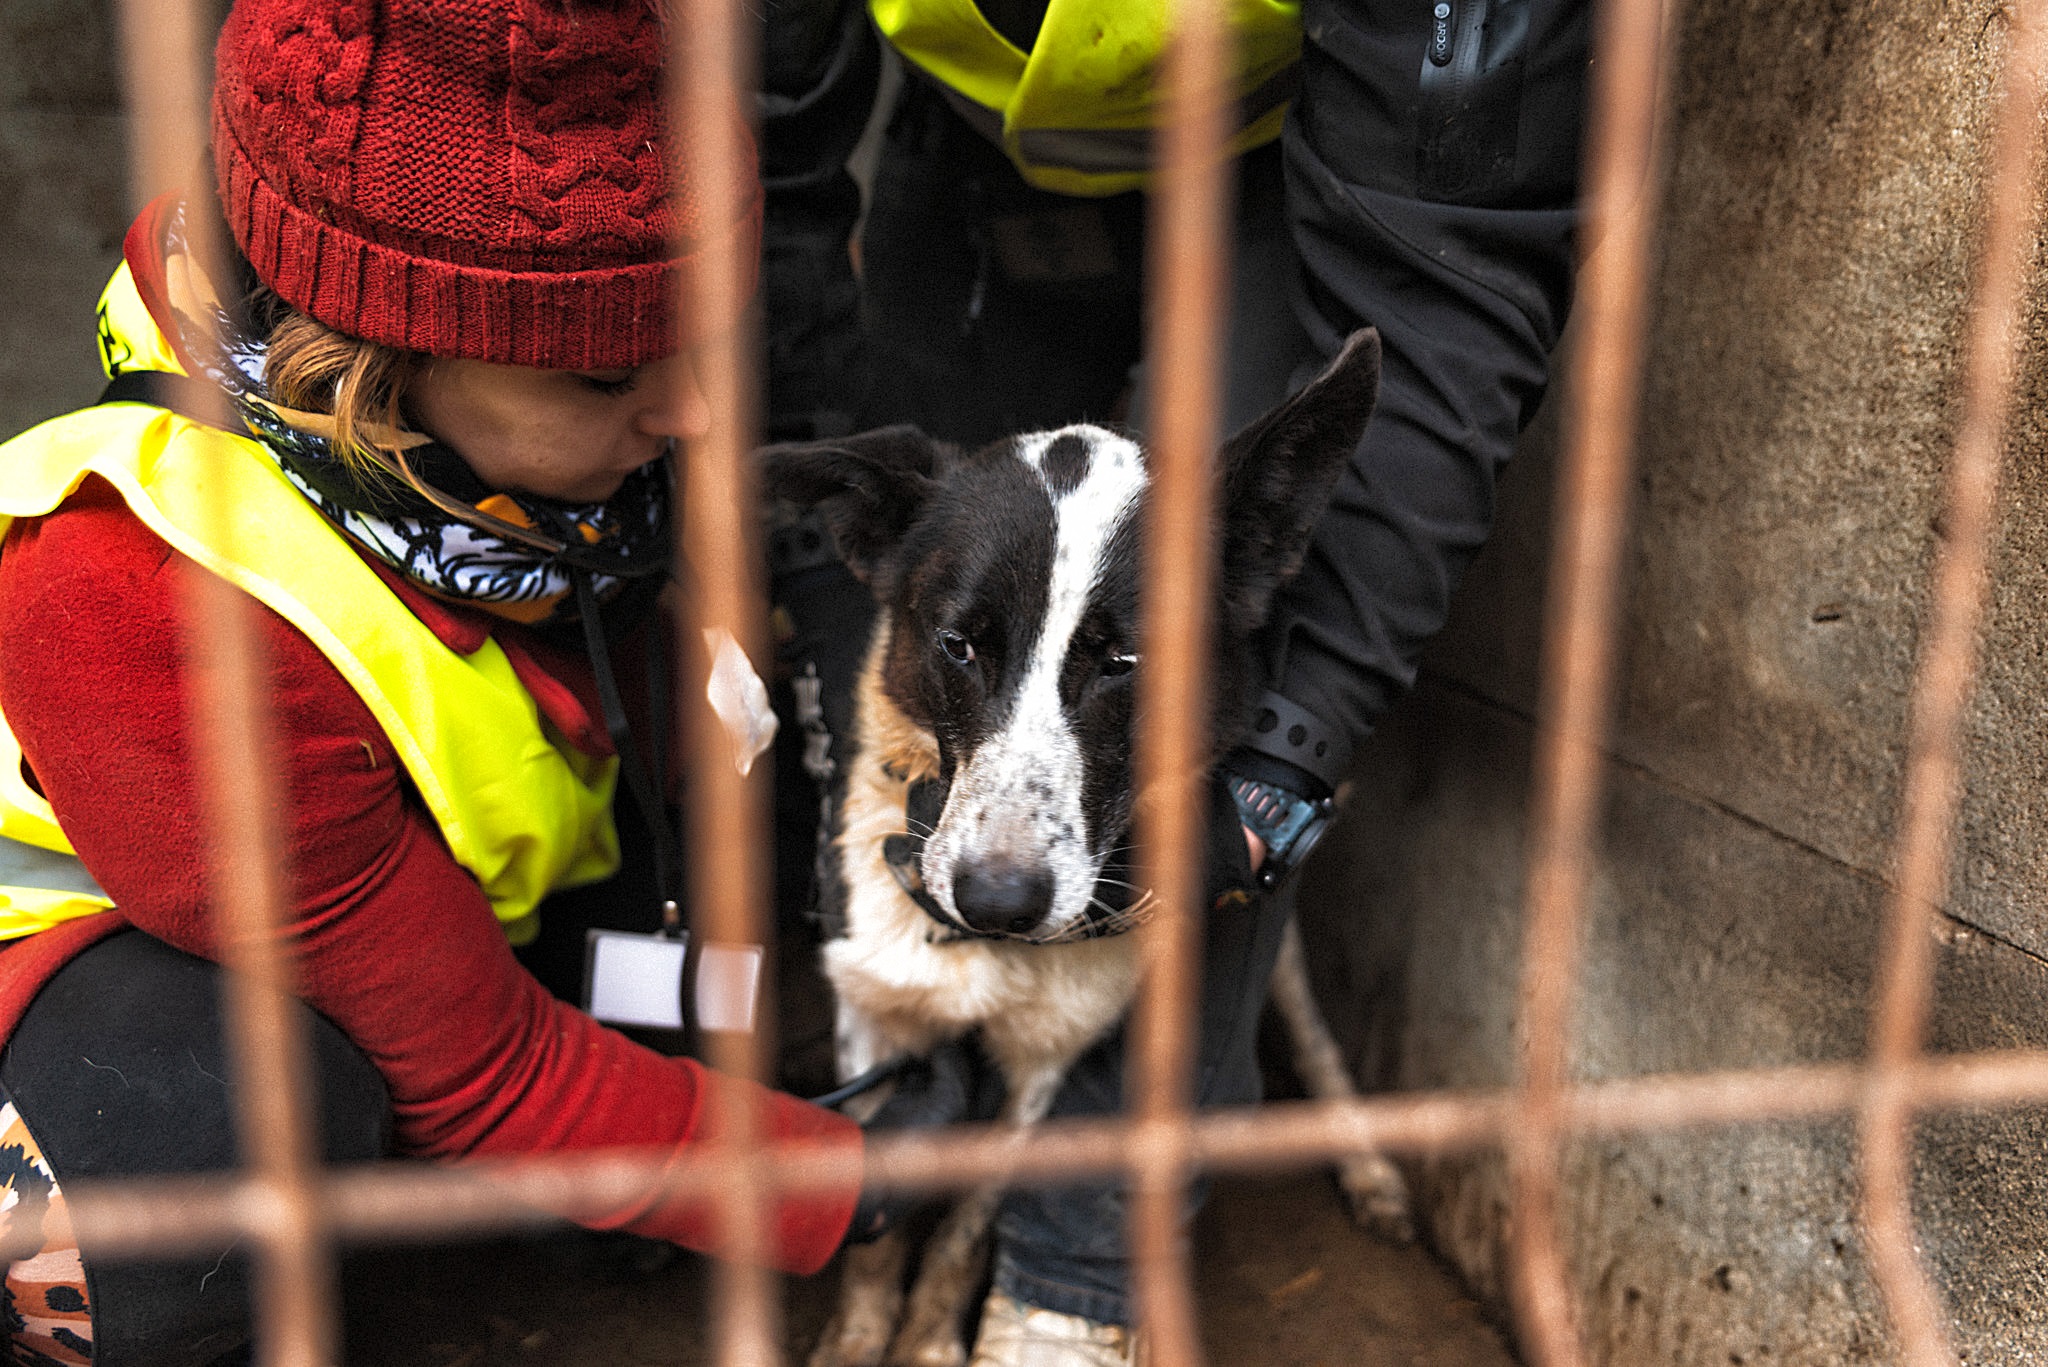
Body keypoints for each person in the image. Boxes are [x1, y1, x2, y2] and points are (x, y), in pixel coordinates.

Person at [0, 3, 970, 1364]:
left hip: (387, 918)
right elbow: (487, 1069)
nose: (691, 413)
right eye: (605, 375)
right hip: (70, 980)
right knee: (187, 1178)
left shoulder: (513, 488)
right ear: (370, 379)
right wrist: (849, 1180)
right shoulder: (138, 601)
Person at [758, 0, 1592, 1360]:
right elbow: (762, 153)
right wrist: (804, 581)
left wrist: (1281, 768)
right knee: (971, 600)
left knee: (1218, 769)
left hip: (1301, 143)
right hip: (971, 140)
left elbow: (1449, 288)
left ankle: (1075, 1284)